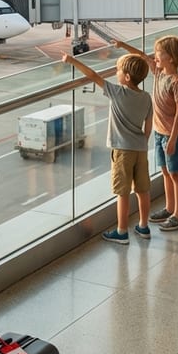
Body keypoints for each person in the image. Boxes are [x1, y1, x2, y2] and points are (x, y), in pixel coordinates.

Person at [63, 51, 153, 243]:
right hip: (140, 149)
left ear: (127, 77)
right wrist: (142, 140)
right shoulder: (146, 97)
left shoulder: (117, 92)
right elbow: (149, 125)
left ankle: (122, 231)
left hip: (122, 150)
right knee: (142, 190)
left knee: (122, 192)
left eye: (118, 70)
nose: (115, 72)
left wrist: (72, 60)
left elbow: (93, 75)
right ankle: (144, 226)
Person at [116, 36, 178, 232]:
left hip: (173, 136)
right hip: (158, 134)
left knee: (175, 174)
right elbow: (141, 56)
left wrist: (172, 139)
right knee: (165, 171)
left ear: (171, 58)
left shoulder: (177, 83)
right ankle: (169, 207)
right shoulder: (158, 72)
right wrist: (123, 45)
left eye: (159, 52)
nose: (154, 55)